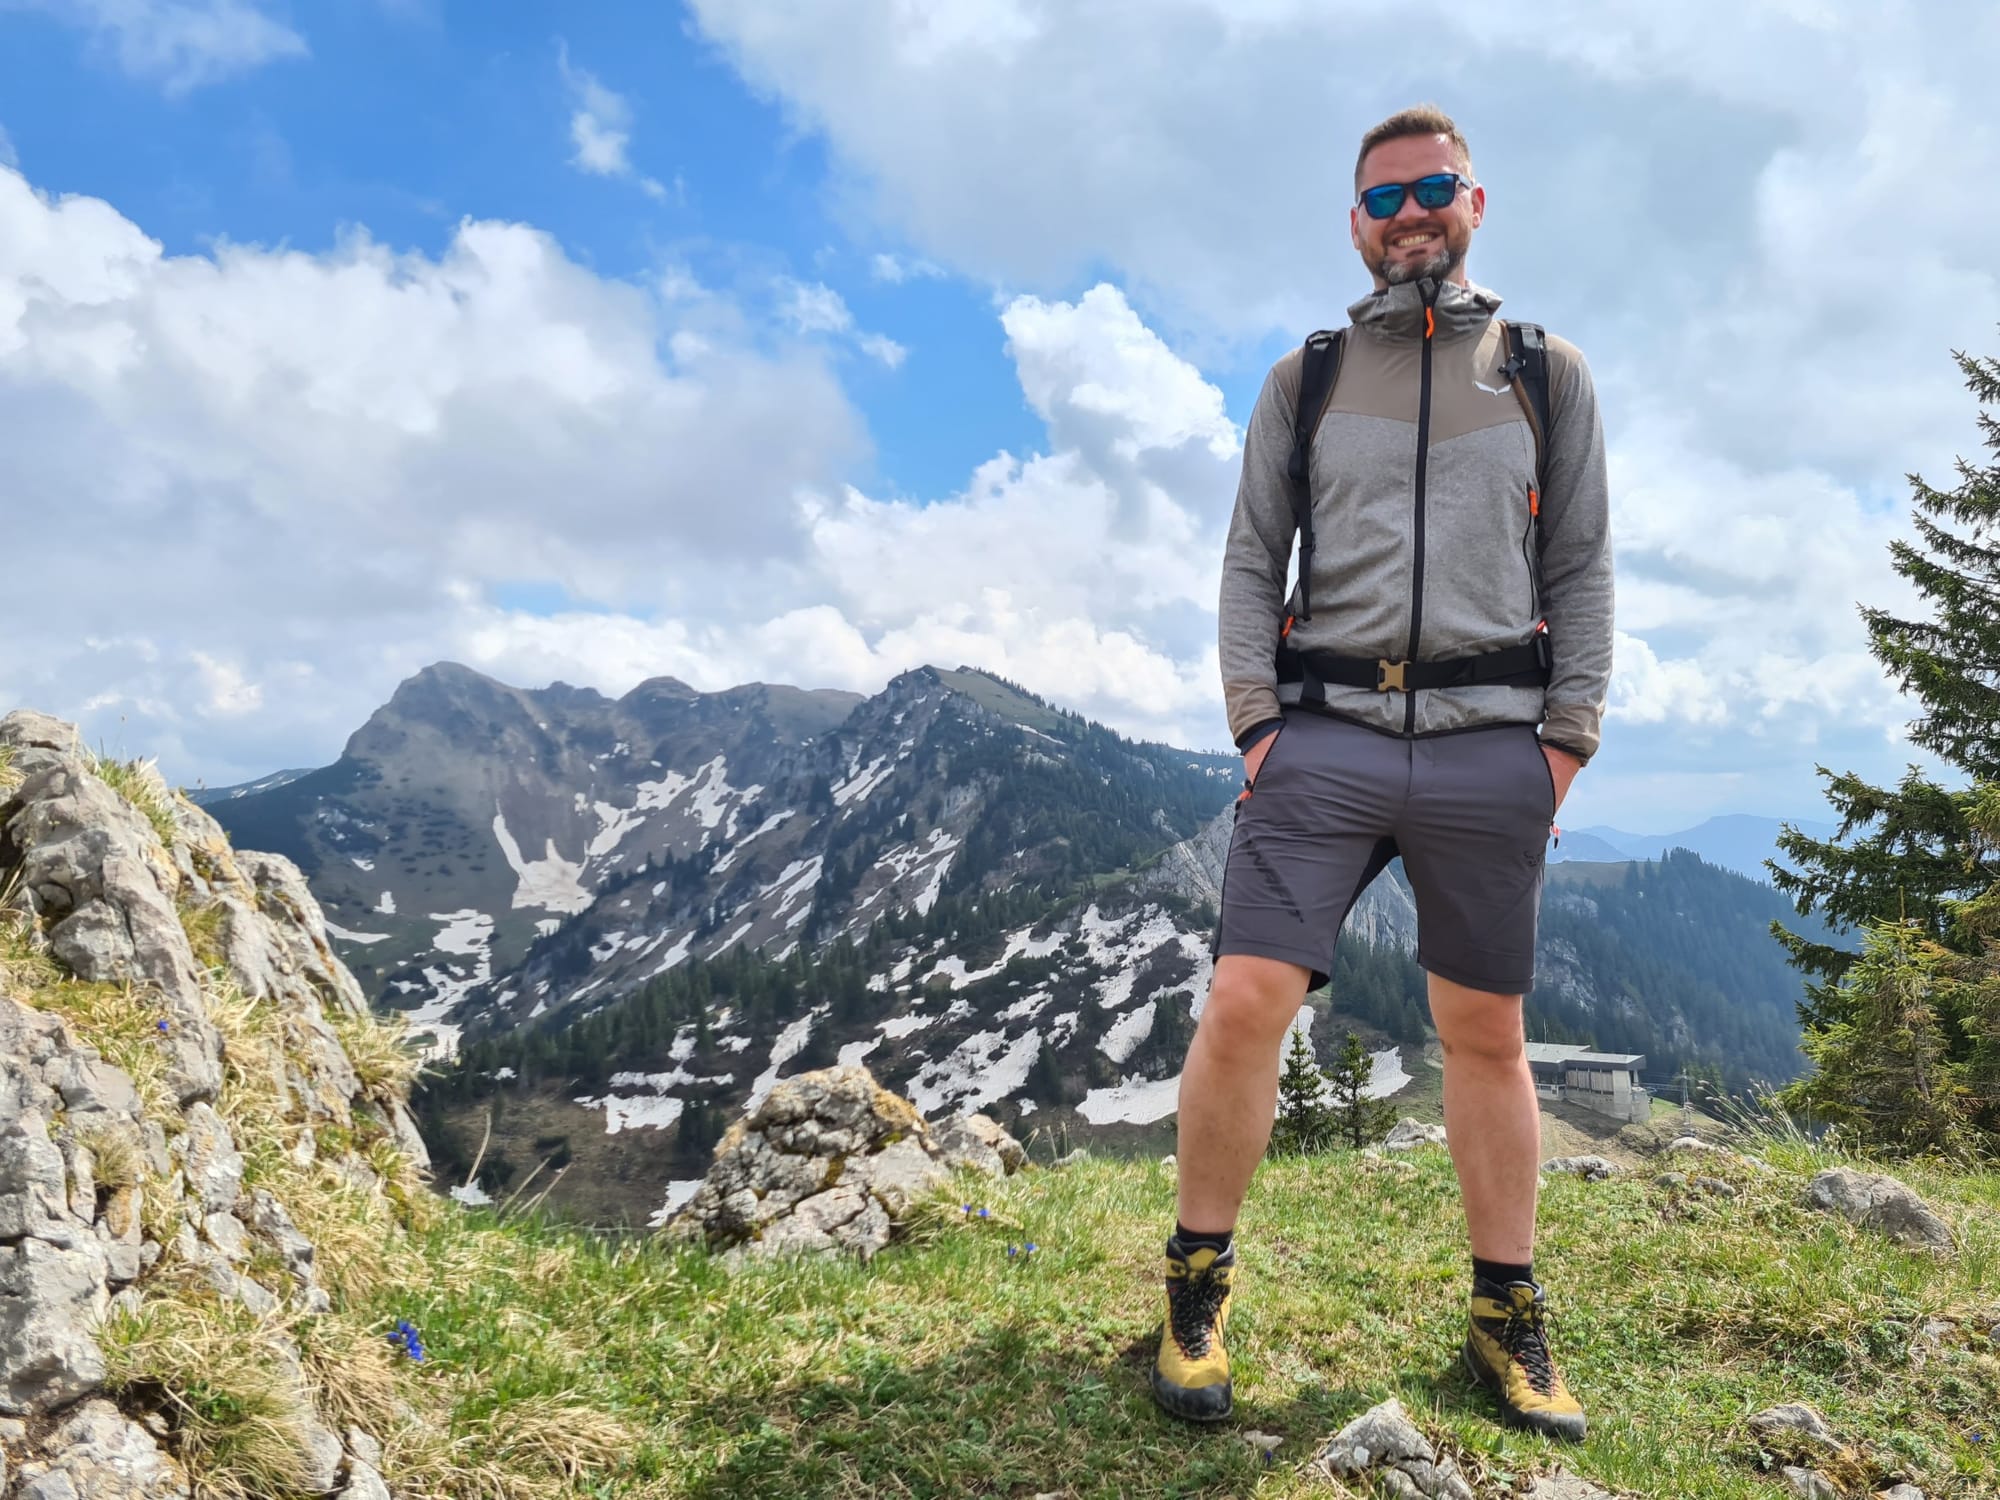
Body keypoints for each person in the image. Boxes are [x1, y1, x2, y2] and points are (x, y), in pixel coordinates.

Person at [1151, 104, 1614, 1440]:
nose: (1410, 215)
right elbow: (1253, 557)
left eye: (1432, 189)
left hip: (1492, 742)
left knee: (1486, 1033)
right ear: (1355, 224)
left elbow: (1581, 562)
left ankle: (1505, 1311)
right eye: (1384, 198)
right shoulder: (1303, 379)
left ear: (1475, 202)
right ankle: (1194, 1287)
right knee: (1245, 999)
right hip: (1326, 735)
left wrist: (1564, 743)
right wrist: (1258, 725)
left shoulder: (1544, 372)